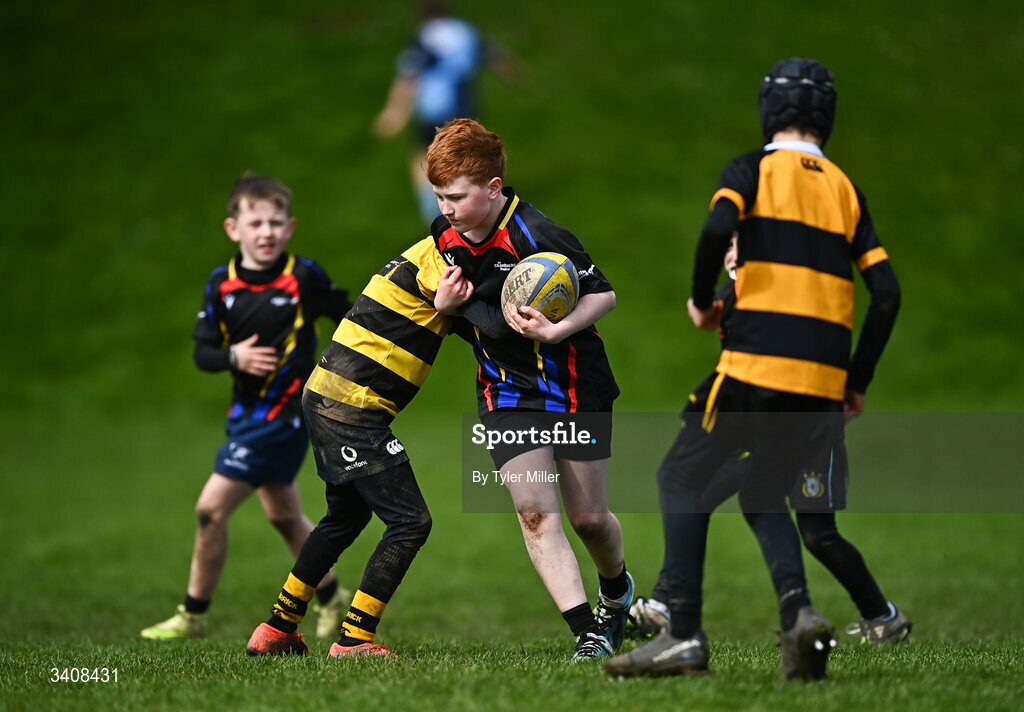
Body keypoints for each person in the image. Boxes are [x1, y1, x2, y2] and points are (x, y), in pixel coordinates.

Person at [606, 58, 901, 680]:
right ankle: (800, 618)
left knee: (679, 479)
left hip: (756, 369)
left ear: (769, 110)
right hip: (821, 387)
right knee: (764, 492)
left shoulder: (753, 168)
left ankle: (681, 632)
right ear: (828, 117)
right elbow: (888, 293)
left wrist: (702, 299)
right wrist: (856, 381)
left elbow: (719, 226)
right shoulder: (847, 190)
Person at [628, 235, 911, 646]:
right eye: (726, 245)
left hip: (811, 434)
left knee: (819, 534)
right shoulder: (733, 294)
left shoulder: (782, 296)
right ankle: (666, 605)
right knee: (700, 492)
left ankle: (882, 617)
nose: (730, 253)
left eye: (739, 243)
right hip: (758, 429)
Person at [425, 118, 634, 662]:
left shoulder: (539, 236)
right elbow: (469, 310)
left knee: (589, 519)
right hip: (506, 391)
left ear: (493, 189)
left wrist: (559, 328)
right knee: (535, 511)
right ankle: (588, 630)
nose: (446, 208)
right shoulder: (442, 235)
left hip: (573, 385)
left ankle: (617, 592)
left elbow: (604, 295)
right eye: (439, 196)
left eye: (456, 196)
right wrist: (447, 309)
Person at [142, 174, 353, 641]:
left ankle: (193, 614)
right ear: (232, 228)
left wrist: (345, 368)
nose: (267, 232)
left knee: (209, 510)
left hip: (287, 418)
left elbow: (350, 316)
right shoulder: (222, 285)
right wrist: (234, 356)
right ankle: (332, 594)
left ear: (290, 226)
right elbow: (203, 353)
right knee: (283, 515)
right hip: (245, 419)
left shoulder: (303, 277)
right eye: (255, 222)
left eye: (276, 222)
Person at [245, 235, 471, 657]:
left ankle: (277, 629)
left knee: (345, 516)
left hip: (327, 395)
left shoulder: (427, 254)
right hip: (352, 405)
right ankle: (353, 639)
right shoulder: (445, 263)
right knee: (410, 521)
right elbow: (486, 325)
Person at [373, 0, 518, 223]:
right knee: (467, 157)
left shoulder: (424, 37)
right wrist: (516, 75)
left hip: (435, 109)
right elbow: (494, 56)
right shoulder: (465, 31)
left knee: (424, 156)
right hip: (465, 108)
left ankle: (435, 210)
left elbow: (409, 76)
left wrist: (395, 112)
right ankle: (477, 206)